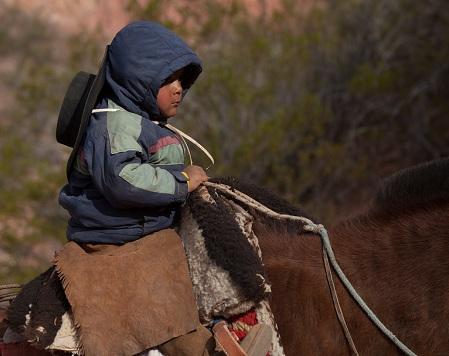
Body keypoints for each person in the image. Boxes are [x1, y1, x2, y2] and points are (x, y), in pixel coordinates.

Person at [57, 21, 271, 356]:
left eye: (183, 81)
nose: (179, 89)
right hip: (116, 237)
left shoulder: (144, 121)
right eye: (168, 79)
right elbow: (122, 180)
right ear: (137, 80)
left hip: (146, 226)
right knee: (160, 300)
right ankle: (197, 350)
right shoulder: (112, 124)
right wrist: (182, 182)